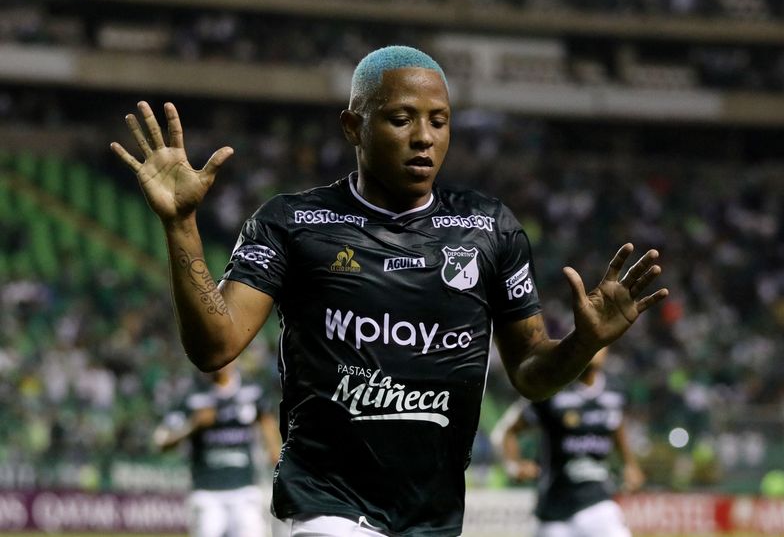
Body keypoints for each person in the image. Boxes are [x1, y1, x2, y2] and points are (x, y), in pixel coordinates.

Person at [111, 45, 668, 537]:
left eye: (440, 120)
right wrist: (181, 225)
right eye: (401, 119)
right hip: (328, 501)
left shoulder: (490, 230)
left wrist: (582, 345)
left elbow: (531, 374)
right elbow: (215, 345)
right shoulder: (292, 223)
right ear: (354, 126)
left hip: (434, 514)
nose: (424, 136)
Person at [491, 347, 644, 537]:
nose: (595, 350)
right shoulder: (551, 389)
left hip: (596, 503)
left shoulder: (616, 390)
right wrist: (513, 465)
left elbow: (616, 425)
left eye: (601, 345)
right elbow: (507, 431)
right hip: (552, 510)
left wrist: (630, 464)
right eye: (591, 342)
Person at [153, 361, 282, 537]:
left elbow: (267, 423)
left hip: (245, 489)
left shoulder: (252, 391)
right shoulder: (193, 396)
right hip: (207, 494)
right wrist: (193, 425)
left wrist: (274, 451)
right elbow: (161, 441)